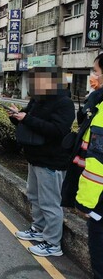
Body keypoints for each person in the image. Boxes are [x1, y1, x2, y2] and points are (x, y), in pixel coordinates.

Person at [7, 66, 75, 257]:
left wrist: (26, 118)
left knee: (50, 203)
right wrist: (16, 116)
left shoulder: (64, 103)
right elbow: (27, 119)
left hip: (52, 161)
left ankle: (53, 244)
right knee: (34, 197)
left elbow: (57, 131)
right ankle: (37, 230)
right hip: (35, 157)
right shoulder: (38, 99)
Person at [62, 53, 103, 278]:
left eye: (96, 71)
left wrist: (85, 204)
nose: (92, 76)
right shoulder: (96, 104)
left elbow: (96, 162)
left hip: (99, 204)